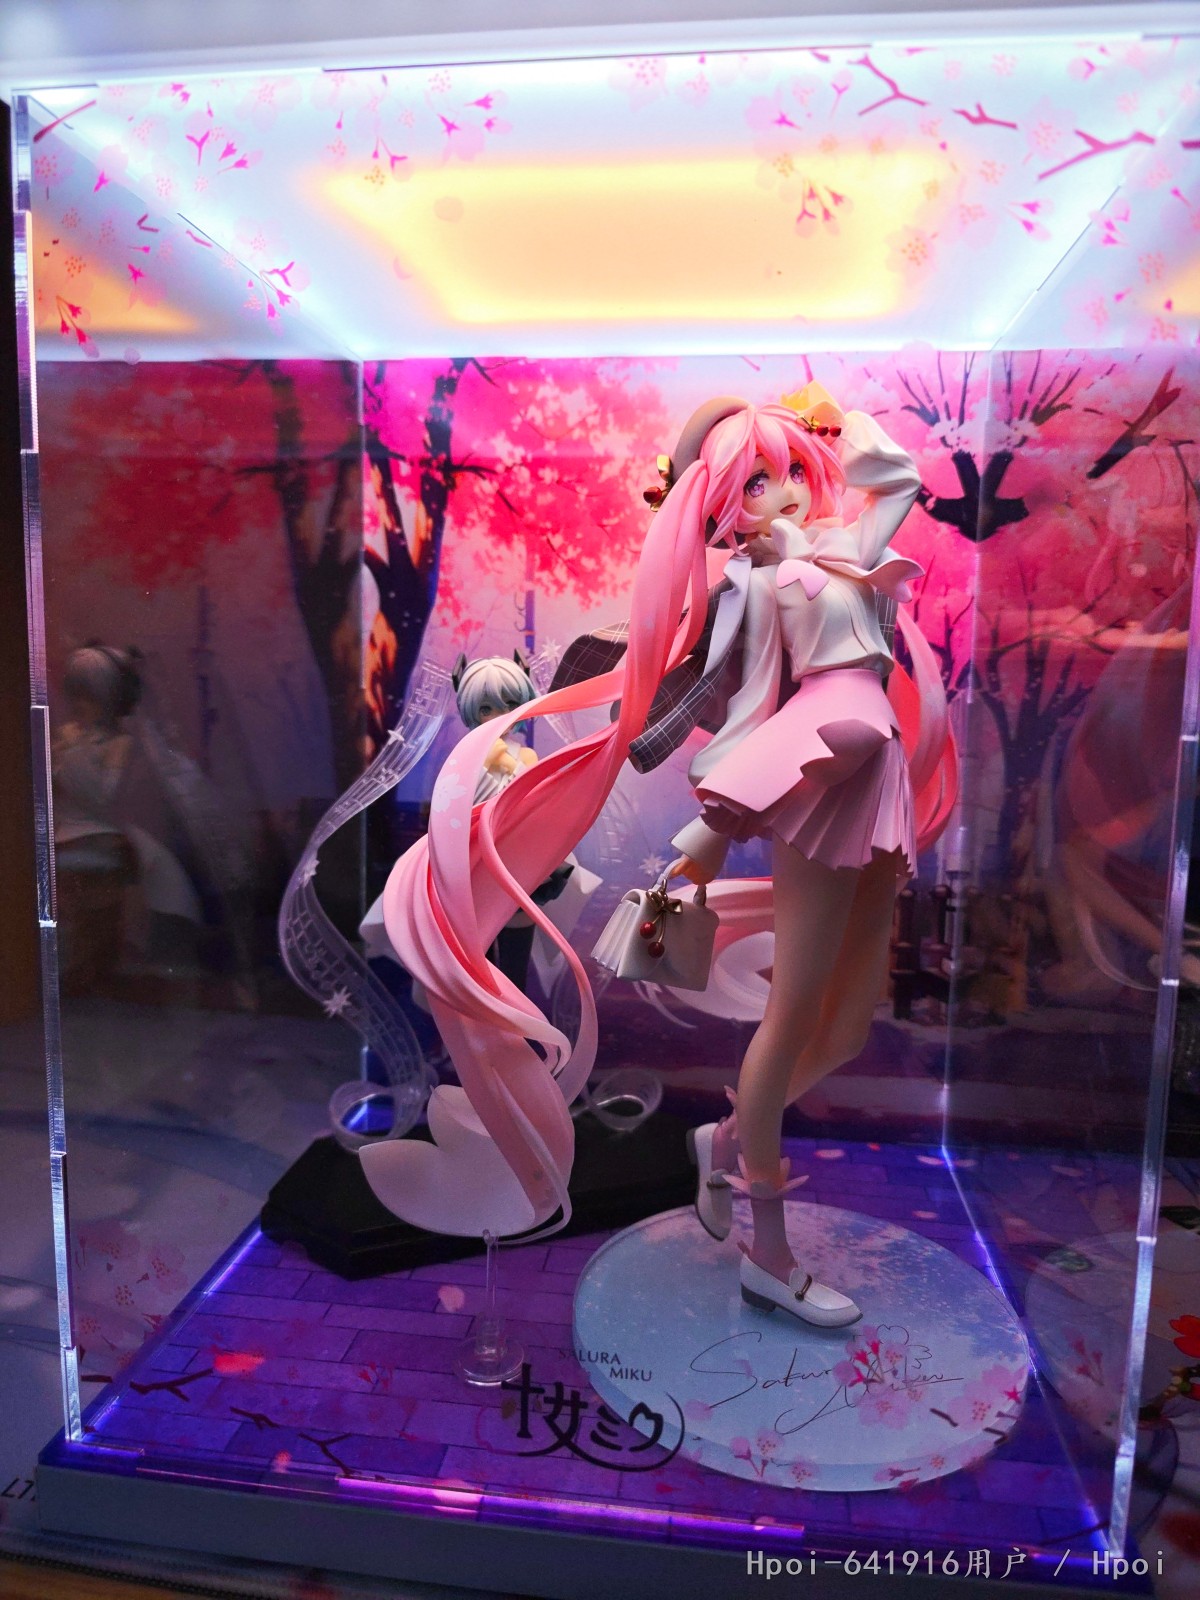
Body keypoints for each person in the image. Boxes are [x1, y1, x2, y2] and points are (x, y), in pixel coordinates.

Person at [375, 383, 955, 1312]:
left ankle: (719, 1145)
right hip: (819, 769)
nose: (784, 493)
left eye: (792, 473)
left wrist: (830, 431)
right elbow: (751, 701)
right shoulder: (757, 587)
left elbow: (896, 478)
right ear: (720, 509)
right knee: (794, 1016)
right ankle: (769, 1255)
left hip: (876, 770)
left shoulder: (844, 546)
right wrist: (714, 829)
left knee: (849, 1027)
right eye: (755, 484)